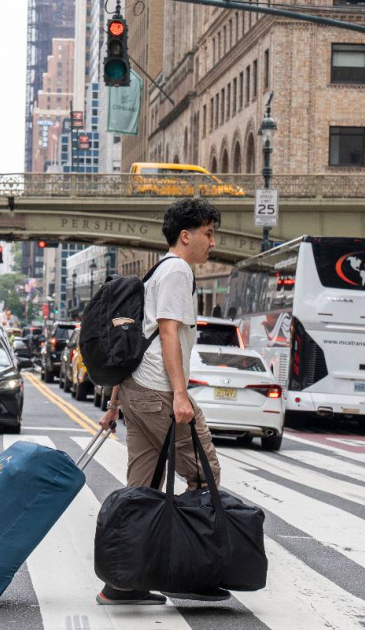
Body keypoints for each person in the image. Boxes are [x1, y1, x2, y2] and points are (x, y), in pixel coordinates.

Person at [96, 197, 225, 606]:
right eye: (207, 233)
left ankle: (123, 581)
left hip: (137, 390)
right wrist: (181, 395)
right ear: (186, 235)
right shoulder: (177, 271)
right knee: (206, 475)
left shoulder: (156, 273)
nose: (212, 242)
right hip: (159, 395)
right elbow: (167, 333)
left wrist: (116, 401)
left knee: (142, 487)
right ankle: (187, 569)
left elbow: (134, 341)